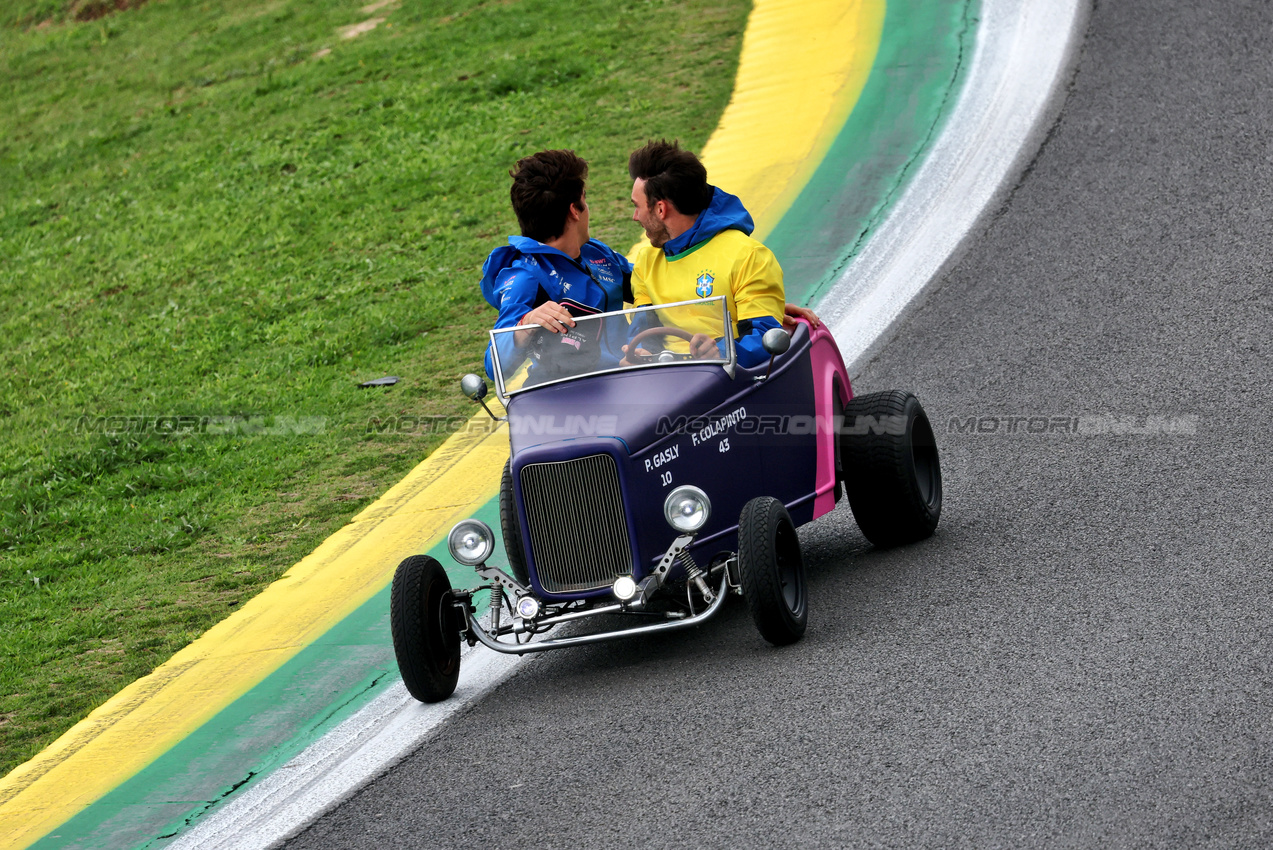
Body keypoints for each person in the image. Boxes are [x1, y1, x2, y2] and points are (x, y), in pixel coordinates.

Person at [627, 139, 816, 367]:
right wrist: (637, 352)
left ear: (660, 209)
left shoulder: (749, 256)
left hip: (729, 384)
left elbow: (765, 338)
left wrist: (720, 352)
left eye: (637, 206)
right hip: (667, 381)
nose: (635, 217)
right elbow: (644, 331)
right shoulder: (645, 263)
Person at [478, 149, 632, 380]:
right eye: (585, 199)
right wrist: (526, 324)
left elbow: (650, 286)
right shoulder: (526, 276)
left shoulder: (596, 252)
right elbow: (494, 366)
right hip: (577, 394)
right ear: (574, 210)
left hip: (632, 375)